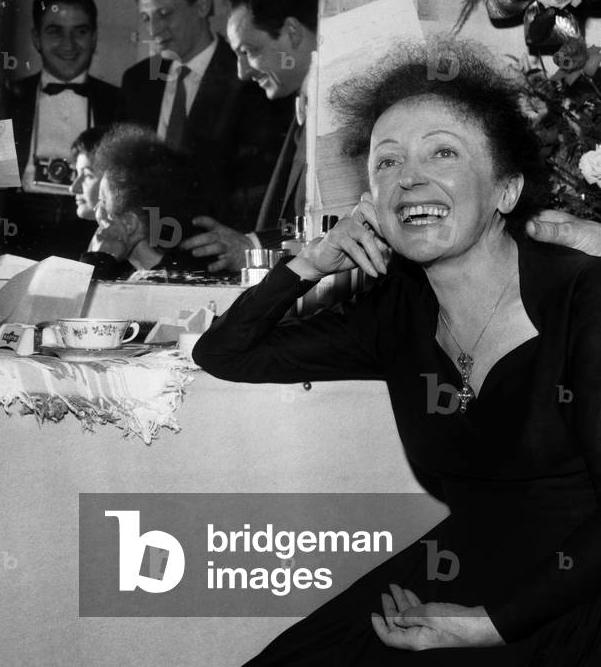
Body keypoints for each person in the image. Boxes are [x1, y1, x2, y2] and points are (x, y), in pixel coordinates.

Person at [194, 38, 601, 663]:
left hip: (580, 589)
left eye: (443, 152)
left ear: (507, 190)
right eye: (387, 163)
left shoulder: (583, 297)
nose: (409, 178)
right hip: (462, 570)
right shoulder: (393, 311)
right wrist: (307, 264)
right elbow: (228, 354)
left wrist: (492, 624)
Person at [120, 0, 293, 228]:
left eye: (165, 14)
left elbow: (257, 189)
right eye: (146, 17)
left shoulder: (252, 81)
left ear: (202, 6)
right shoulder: (137, 81)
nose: (154, 29)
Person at [182, 0, 317, 272]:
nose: (242, 72)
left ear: (292, 32)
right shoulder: (306, 100)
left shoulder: (339, 108)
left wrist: (253, 248)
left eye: (249, 51)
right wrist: (252, 244)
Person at [0, 0, 124, 261]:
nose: (68, 44)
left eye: (80, 31)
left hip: (90, 237)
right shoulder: (6, 98)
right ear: (36, 38)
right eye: (55, 31)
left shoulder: (121, 102)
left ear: (94, 38)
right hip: (17, 236)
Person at [88, 124, 216, 279]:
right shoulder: (185, 272)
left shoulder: (152, 287)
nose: (96, 208)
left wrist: (97, 262)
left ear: (130, 223)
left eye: (102, 200)